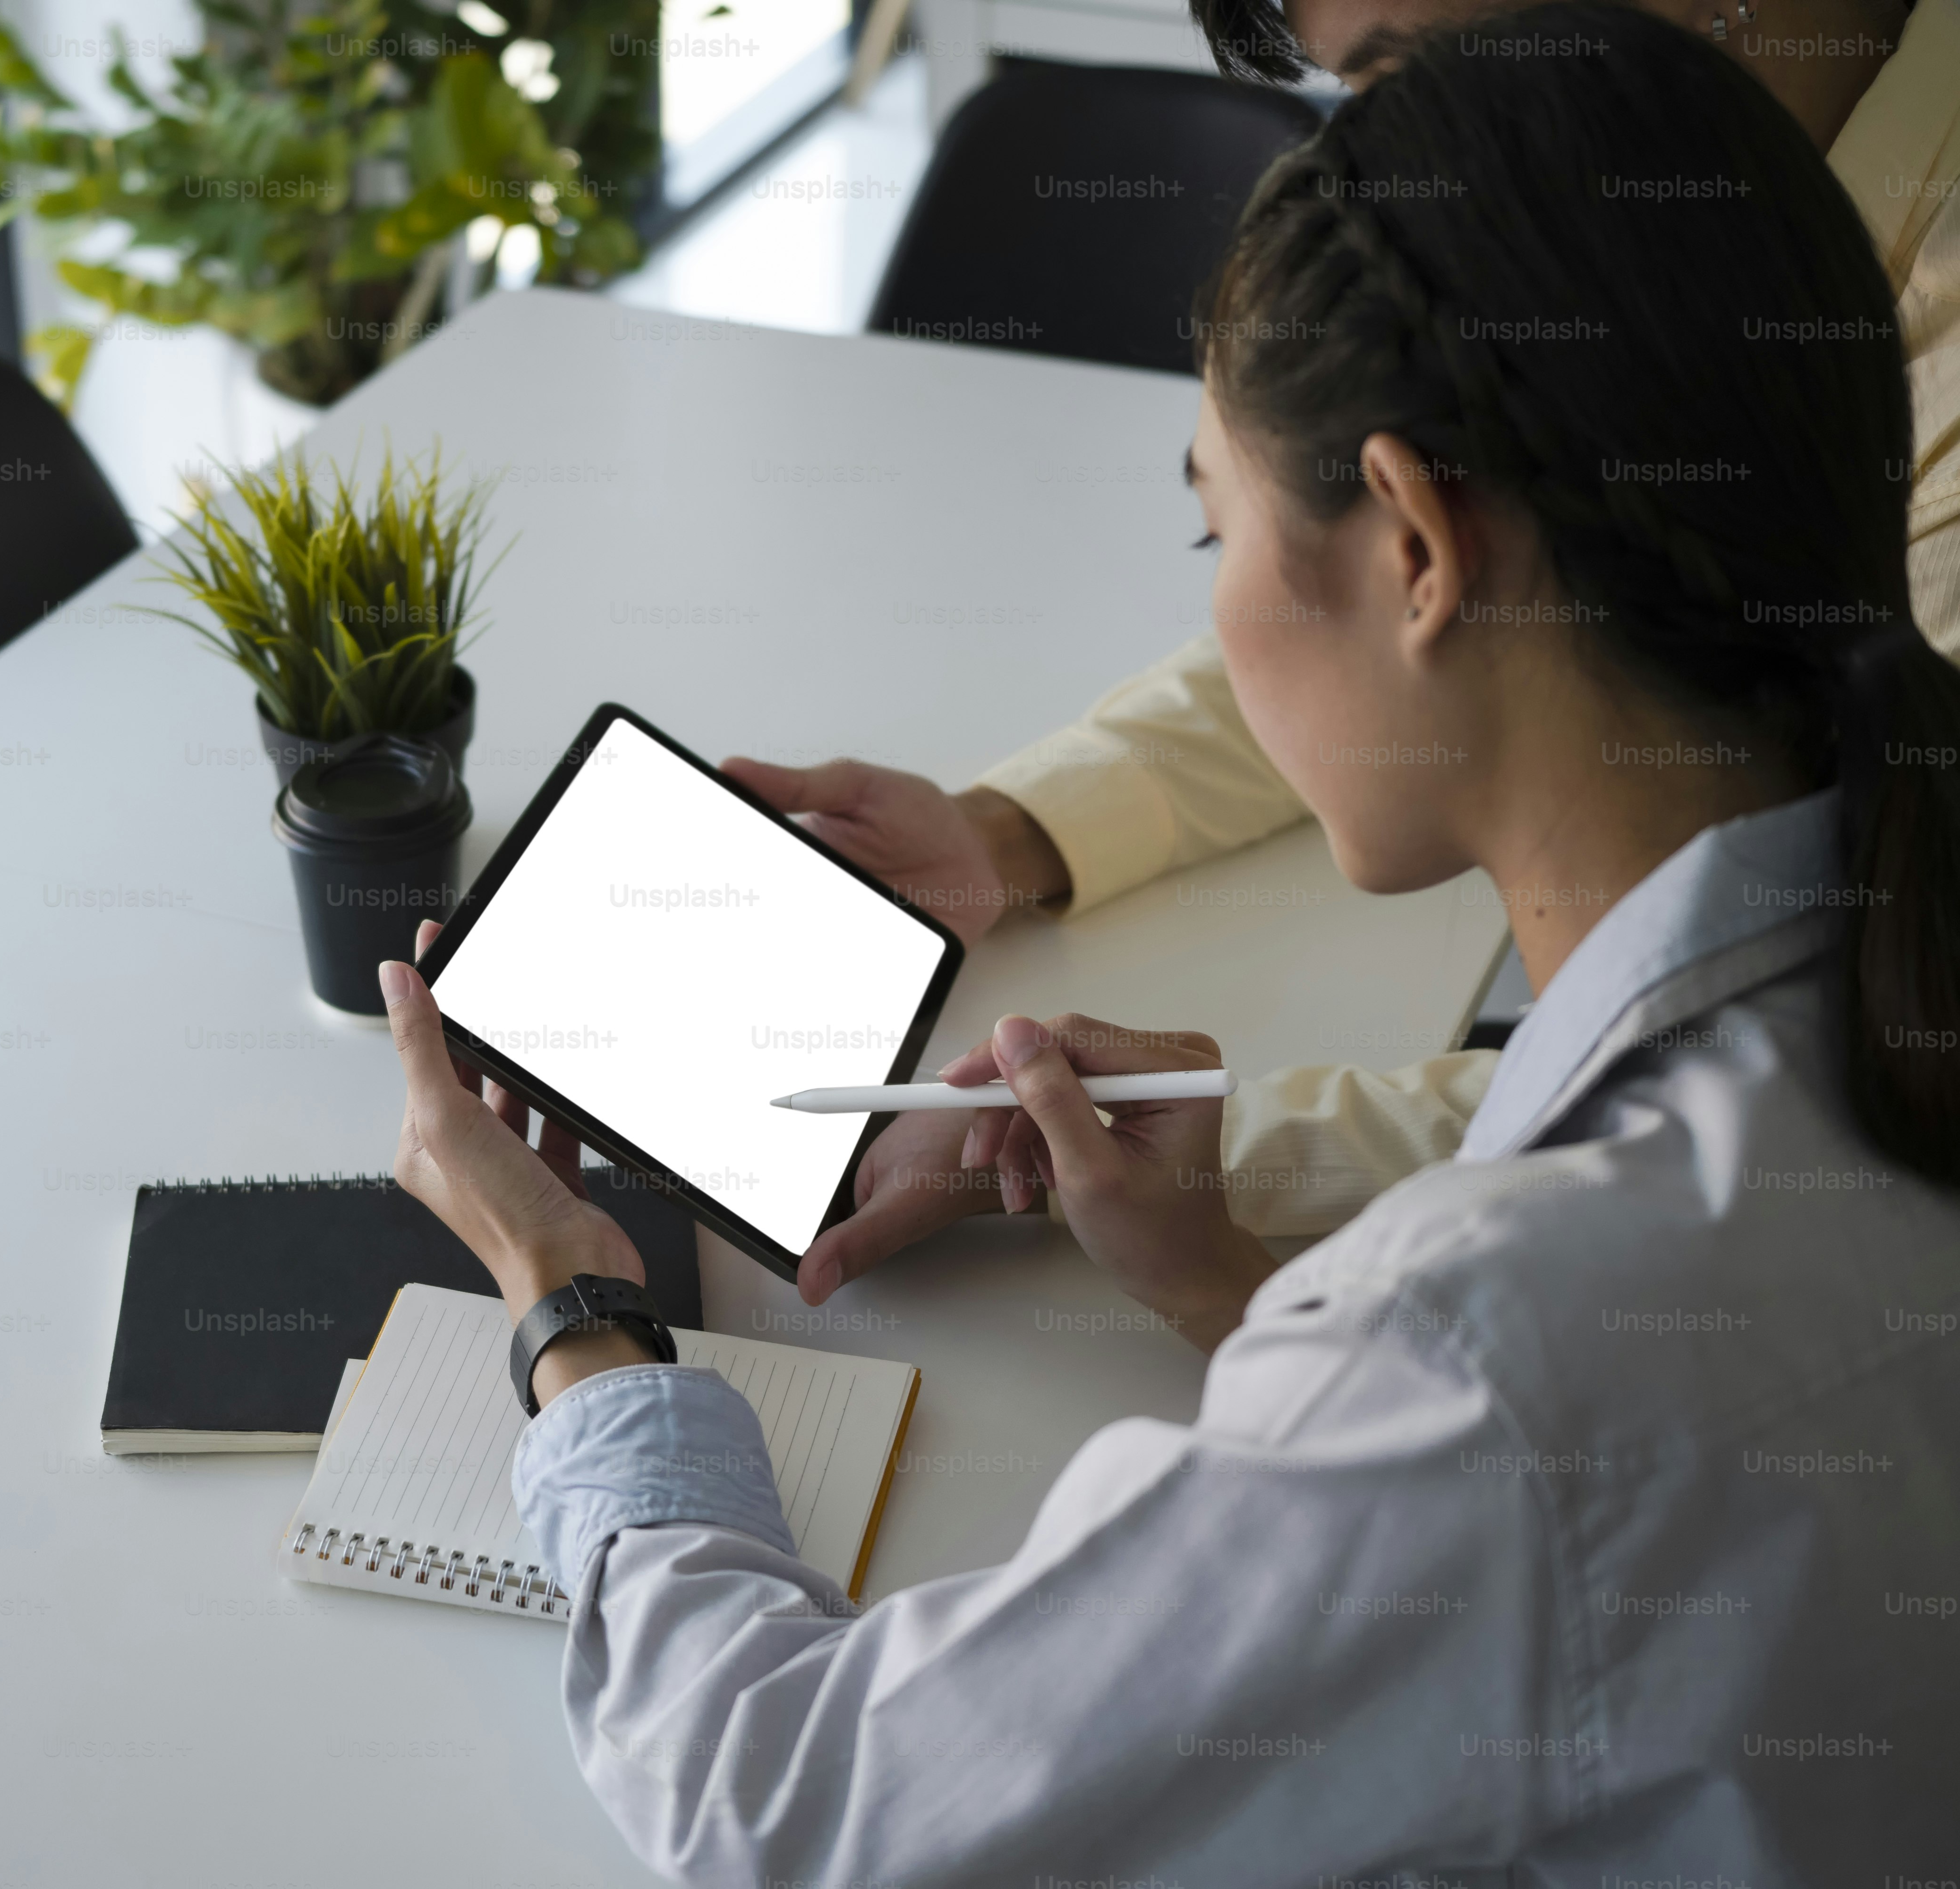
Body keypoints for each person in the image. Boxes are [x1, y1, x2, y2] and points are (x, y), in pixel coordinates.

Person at [376, 8, 1960, 1877]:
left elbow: (801, 1809)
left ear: (1417, 546)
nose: (1218, 608)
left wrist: (578, 1322)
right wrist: (1227, 1285)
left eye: (1211, 526)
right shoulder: (1880, 968)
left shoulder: (1486, 1358)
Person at [717, 0, 1960, 1260]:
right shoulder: (1692, 216)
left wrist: (1123, 1152)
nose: (1368, 158)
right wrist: (1008, 830)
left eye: (1406, 73)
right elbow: (1431, 610)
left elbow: (1779, 1084)